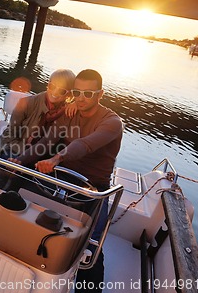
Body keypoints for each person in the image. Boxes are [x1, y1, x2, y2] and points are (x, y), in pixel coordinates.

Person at [14, 69, 123, 293]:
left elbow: (85, 145)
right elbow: (46, 141)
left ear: (100, 94)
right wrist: (18, 160)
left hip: (93, 188)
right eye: (77, 92)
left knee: (91, 244)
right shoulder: (70, 114)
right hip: (61, 178)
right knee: (17, 197)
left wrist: (57, 158)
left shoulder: (112, 122)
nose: (81, 98)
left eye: (88, 94)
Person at [0, 68, 76, 161]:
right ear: (48, 84)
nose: (55, 92)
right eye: (52, 86)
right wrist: (26, 152)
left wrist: (76, 104)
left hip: (45, 156)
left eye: (61, 91)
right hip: (17, 148)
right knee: (16, 167)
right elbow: (9, 135)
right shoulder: (26, 103)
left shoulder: (68, 111)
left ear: (69, 94)